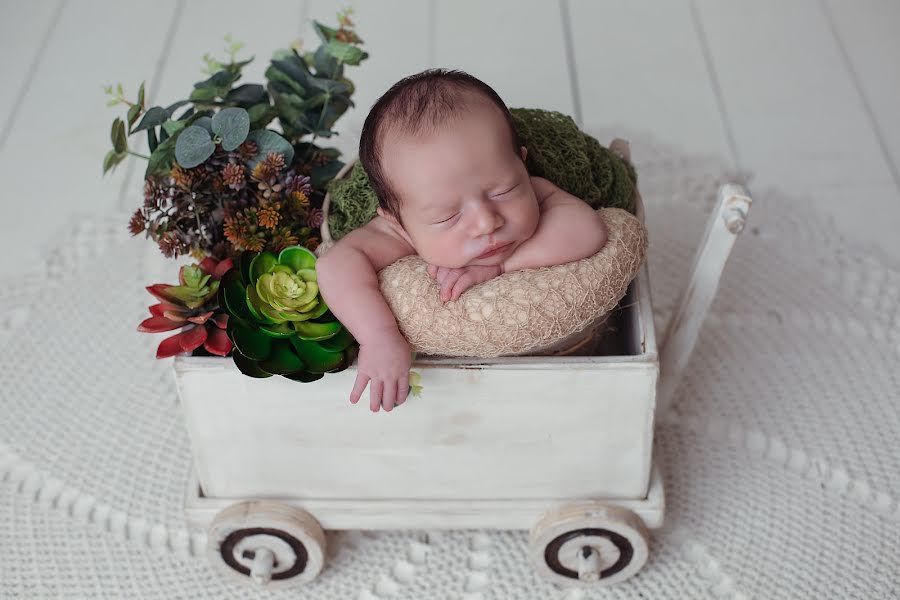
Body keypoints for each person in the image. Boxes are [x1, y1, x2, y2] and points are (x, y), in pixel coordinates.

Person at [316, 69, 608, 413]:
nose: (486, 222)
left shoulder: (536, 190)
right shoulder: (397, 232)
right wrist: (378, 336)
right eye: (446, 216)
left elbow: (587, 229)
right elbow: (335, 264)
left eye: (503, 191)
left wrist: (500, 265)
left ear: (522, 165)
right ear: (399, 222)